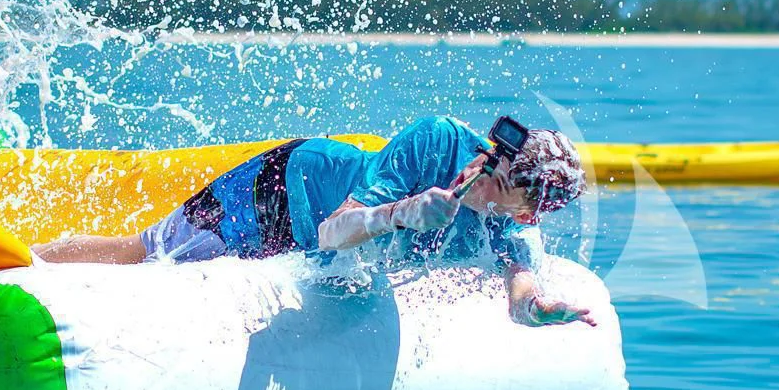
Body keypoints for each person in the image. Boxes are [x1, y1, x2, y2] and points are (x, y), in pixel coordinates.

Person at [35, 116, 594, 327]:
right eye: (491, 156)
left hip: (309, 235)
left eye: (497, 177)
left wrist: (537, 308)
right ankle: (28, 261)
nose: (481, 169)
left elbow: (520, 290)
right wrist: (400, 214)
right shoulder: (438, 141)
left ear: (523, 210)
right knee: (151, 254)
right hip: (281, 190)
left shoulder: (513, 226)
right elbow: (334, 230)